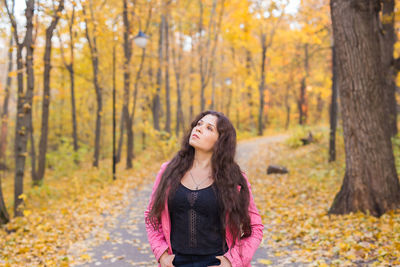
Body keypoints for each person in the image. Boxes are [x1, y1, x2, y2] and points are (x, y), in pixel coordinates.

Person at [144, 110, 264, 267]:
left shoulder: (234, 180)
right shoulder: (168, 171)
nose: (198, 129)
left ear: (221, 141)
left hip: (216, 262)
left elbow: (255, 228)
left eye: (209, 128)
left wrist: (232, 261)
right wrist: (162, 254)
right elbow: (151, 216)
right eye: (198, 124)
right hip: (176, 262)